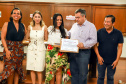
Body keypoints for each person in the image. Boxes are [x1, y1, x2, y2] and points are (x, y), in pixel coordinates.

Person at [68, 8, 97, 84]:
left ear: (84, 16)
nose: (76, 19)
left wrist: (84, 44)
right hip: (73, 52)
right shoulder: (74, 25)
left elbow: (94, 40)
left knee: (83, 74)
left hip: (83, 53)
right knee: (73, 72)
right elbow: (69, 34)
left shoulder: (91, 26)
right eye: (75, 17)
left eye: (78, 17)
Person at [94, 15, 123, 84]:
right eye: (105, 21)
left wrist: (117, 60)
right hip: (101, 59)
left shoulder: (118, 33)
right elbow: (95, 45)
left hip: (112, 61)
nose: (105, 23)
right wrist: (98, 56)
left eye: (108, 22)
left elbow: (120, 47)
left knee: (110, 78)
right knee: (100, 77)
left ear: (113, 23)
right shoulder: (99, 32)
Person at [0, 8, 27, 84]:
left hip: (19, 49)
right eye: (14, 13)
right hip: (9, 49)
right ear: (11, 15)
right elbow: (2, 37)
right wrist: (6, 50)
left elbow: (26, 36)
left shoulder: (23, 25)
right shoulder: (7, 24)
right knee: (10, 69)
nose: (16, 15)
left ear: (20, 16)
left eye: (18, 13)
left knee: (17, 69)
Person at [45, 13, 70, 84]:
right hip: (51, 52)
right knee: (51, 71)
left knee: (59, 70)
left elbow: (67, 43)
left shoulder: (65, 30)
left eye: (60, 20)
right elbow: (45, 39)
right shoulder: (49, 28)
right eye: (57, 20)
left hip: (60, 53)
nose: (59, 21)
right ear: (54, 20)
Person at [25, 11, 48, 84]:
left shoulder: (44, 27)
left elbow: (46, 39)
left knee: (39, 69)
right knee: (32, 68)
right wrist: (29, 41)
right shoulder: (30, 27)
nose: (37, 18)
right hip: (31, 49)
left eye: (39, 17)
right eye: (36, 17)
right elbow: (27, 38)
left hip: (40, 49)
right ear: (33, 18)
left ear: (41, 18)